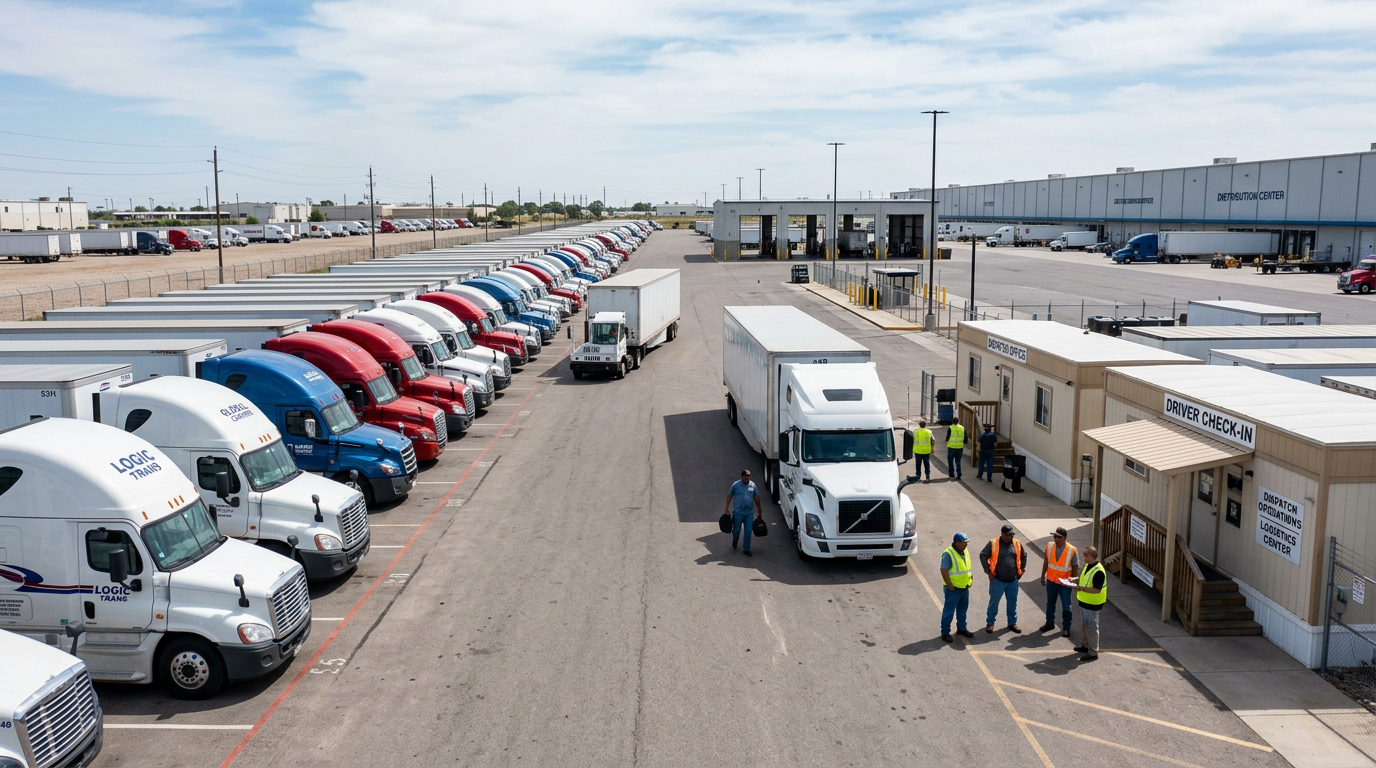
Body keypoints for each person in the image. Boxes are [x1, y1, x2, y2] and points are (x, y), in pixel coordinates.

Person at [980, 524, 1026, 633]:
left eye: (1011, 535)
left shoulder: (1017, 543)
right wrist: (988, 571)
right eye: (1007, 535)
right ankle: (990, 623)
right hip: (997, 580)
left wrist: (1022, 570)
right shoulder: (993, 543)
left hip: (1013, 581)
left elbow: (1024, 555)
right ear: (1002, 534)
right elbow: (983, 555)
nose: (1009, 537)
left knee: (1012, 603)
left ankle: (1012, 623)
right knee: (994, 603)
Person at [1039, 527, 1079, 637]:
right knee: (1050, 603)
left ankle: (1066, 628)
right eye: (1055, 537)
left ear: (1064, 537)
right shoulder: (1050, 546)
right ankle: (1049, 623)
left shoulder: (1072, 550)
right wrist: (1043, 576)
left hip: (1064, 584)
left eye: (1059, 537)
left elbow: (1075, 566)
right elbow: (1046, 562)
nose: (1056, 539)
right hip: (1051, 581)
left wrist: (1073, 581)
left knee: (1066, 606)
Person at [940, 533, 977, 642]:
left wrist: (970, 578)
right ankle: (945, 632)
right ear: (956, 542)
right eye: (963, 542)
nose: (966, 545)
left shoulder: (965, 551)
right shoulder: (948, 554)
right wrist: (949, 584)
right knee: (949, 611)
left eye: (966, 542)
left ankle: (962, 628)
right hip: (953, 588)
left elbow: (967, 567)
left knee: (962, 610)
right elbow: (943, 570)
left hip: (964, 586)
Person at [1072, 546, 1107, 662]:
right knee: (1084, 625)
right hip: (1084, 601)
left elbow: (1097, 589)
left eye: (1085, 554)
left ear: (1091, 556)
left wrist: (1080, 588)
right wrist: (1075, 579)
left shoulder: (1098, 571)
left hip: (1093, 603)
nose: (1084, 556)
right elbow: (1084, 578)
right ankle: (1085, 645)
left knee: (1091, 627)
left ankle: (1092, 652)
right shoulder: (1088, 566)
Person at [724, 469, 763, 556]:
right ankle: (735, 540)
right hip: (738, 512)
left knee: (748, 531)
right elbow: (729, 495)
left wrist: (759, 509)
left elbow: (756, 497)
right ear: (742, 476)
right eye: (745, 476)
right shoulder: (736, 485)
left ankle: (746, 549)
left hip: (749, 513)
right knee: (737, 530)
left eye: (748, 476)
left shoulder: (753, 485)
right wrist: (726, 508)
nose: (747, 477)